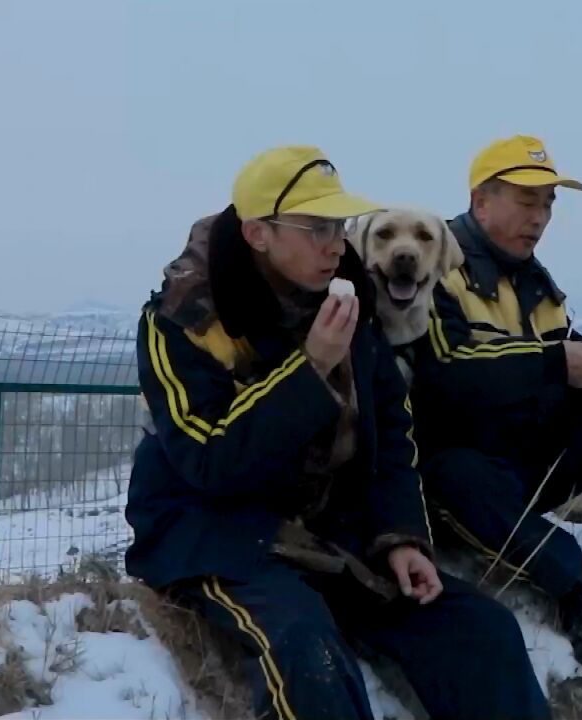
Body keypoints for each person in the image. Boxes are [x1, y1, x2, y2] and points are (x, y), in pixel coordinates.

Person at [125, 145, 551, 720]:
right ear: (258, 235)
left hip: (329, 532)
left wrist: (400, 536)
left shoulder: (347, 302)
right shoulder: (184, 319)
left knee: (483, 632)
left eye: (337, 225)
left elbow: (392, 436)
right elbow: (209, 461)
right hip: (216, 534)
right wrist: (309, 370)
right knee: (310, 655)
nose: (335, 242)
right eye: (315, 227)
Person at [406, 134, 582, 674]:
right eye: (526, 200)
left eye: (547, 204)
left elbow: (552, 363)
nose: (539, 217)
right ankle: (573, 591)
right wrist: (556, 361)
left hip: (526, 459)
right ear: (480, 201)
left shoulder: (537, 281)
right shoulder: (433, 265)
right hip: (460, 468)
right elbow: (442, 374)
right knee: (456, 473)